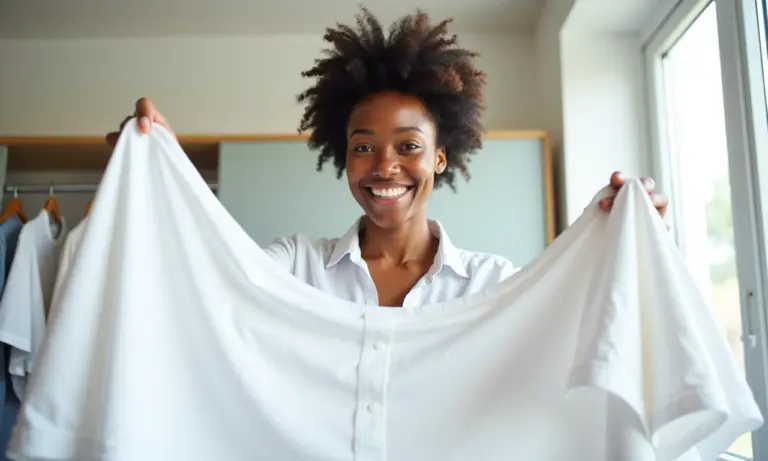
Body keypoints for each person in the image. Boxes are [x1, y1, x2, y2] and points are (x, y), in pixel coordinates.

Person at [105, 8, 668, 308]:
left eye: (409, 147)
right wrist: (162, 179)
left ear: (442, 158)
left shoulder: (492, 285)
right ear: (342, 157)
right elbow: (209, 275)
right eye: (363, 147)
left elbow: (580, 318)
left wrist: (625, 239)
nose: (384, 166)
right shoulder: (295, 268)